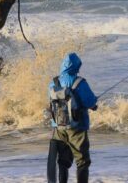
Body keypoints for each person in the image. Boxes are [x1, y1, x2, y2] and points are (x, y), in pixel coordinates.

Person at [47, 53, 97, 183]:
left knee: (63, 161)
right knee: (82, 162)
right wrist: (94, 105)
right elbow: (89, 101)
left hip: (58, 128)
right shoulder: (79, 82)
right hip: (77, 128)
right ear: (76, 66)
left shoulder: (53, 83)